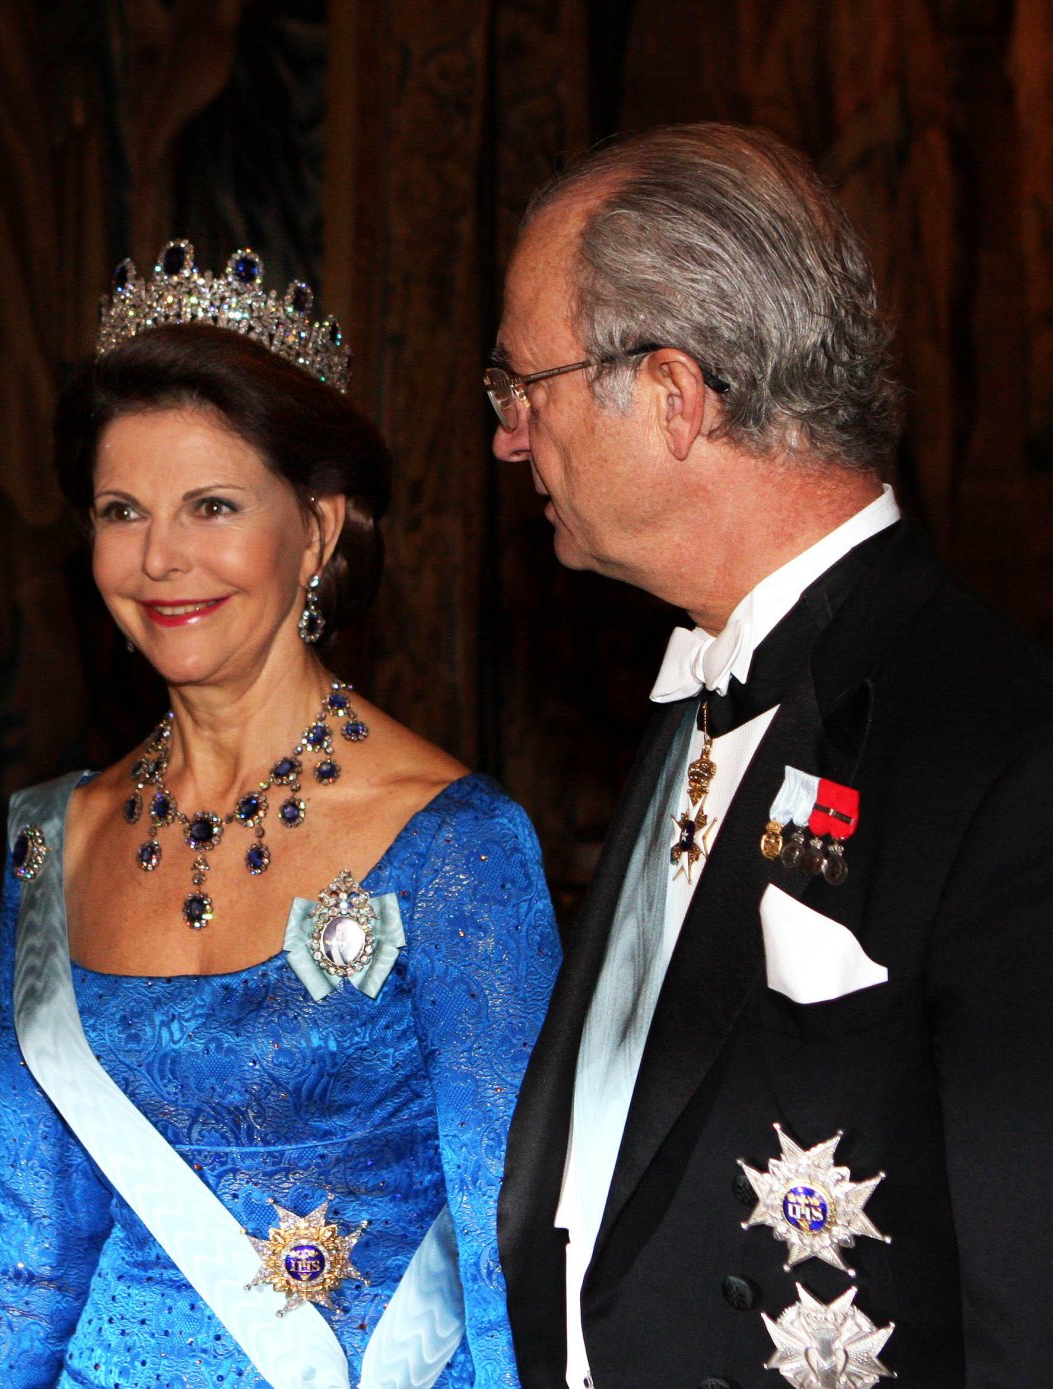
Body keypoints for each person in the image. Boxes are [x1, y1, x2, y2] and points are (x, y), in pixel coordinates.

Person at [491, 124, 1053, 1389]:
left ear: (676, 397)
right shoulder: (695, 686)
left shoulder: (1004, 751)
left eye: (527, 388)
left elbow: (1031, 1300)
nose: (511, 439)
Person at [0, 242, 560, 1389]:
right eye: (121, 511)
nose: (161, 559)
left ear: (319, 528)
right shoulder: (53, 843)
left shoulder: (458, 847)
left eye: (213, 505)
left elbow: (513, 1254)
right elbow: (30, 1254)